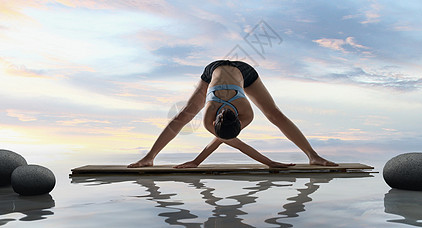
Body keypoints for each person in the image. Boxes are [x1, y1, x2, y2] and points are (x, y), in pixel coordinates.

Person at [128, 60, 337, 168]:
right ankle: (149, 157)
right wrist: (269, 163)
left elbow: (228, 141)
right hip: (228, 75)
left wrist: (196, 161)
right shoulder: (243, 114)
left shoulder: (230, 114)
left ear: (217, 120)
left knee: (275, 114)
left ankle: (313, 156)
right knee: (183, 116)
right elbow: (230, 141)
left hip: (231, 75)